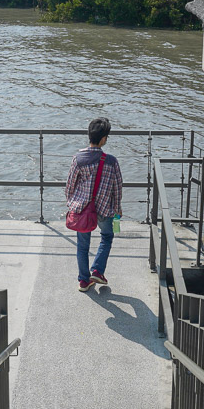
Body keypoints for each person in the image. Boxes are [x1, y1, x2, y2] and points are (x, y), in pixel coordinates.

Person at [65, 118, 123, 292]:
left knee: (83, 245)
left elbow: (70, 186)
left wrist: (73, 204)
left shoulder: (78, 158)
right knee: (106, 237)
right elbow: (117, 187)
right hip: (105, 208)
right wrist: (117, 210)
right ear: (104, 138)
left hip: (83, 209)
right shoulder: (111, 161)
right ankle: (97, 270)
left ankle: (84, 281)